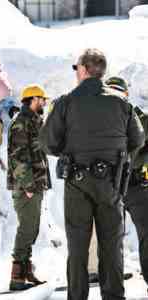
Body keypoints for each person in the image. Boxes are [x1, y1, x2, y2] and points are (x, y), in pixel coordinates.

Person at [40, 48, 145, 300]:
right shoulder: (122, 103)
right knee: (111, 244)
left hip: (77, 182)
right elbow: (138, 138)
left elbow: (47, 143)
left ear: (84, 70)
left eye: (77, 68)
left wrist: (70, 147)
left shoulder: (65, 102)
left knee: (78, 246)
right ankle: (113, 296)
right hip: (111, 182)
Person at [7, 85, 51, 290]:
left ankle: (26, 271)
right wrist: (28, 185)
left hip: (34, 184)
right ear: (33, 99)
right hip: (27, 186)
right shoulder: (21, 122)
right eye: (42, 99)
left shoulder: (34, 121)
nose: (44, 103)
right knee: (26, 228)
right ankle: (16, 276)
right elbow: (18, 156)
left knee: (31, 227)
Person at [106, 76, 148, 292]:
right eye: (110, 90)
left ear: (126, 93)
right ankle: (112, 288)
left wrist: (133, 162)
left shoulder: (139, 117)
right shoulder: (97, 118)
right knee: (110, 238)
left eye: (117, 91)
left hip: (134, 185)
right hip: (107, 185)